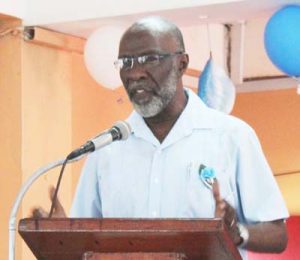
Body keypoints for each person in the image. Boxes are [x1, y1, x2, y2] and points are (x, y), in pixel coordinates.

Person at [32, 16, 289, 259]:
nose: (135, 73)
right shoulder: (106, 148)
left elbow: (277, 235)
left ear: (182, 63)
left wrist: (238, 233)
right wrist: (62, 237)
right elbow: (87, 243)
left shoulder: (232, 137)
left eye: (149, 59)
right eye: (126, 63)